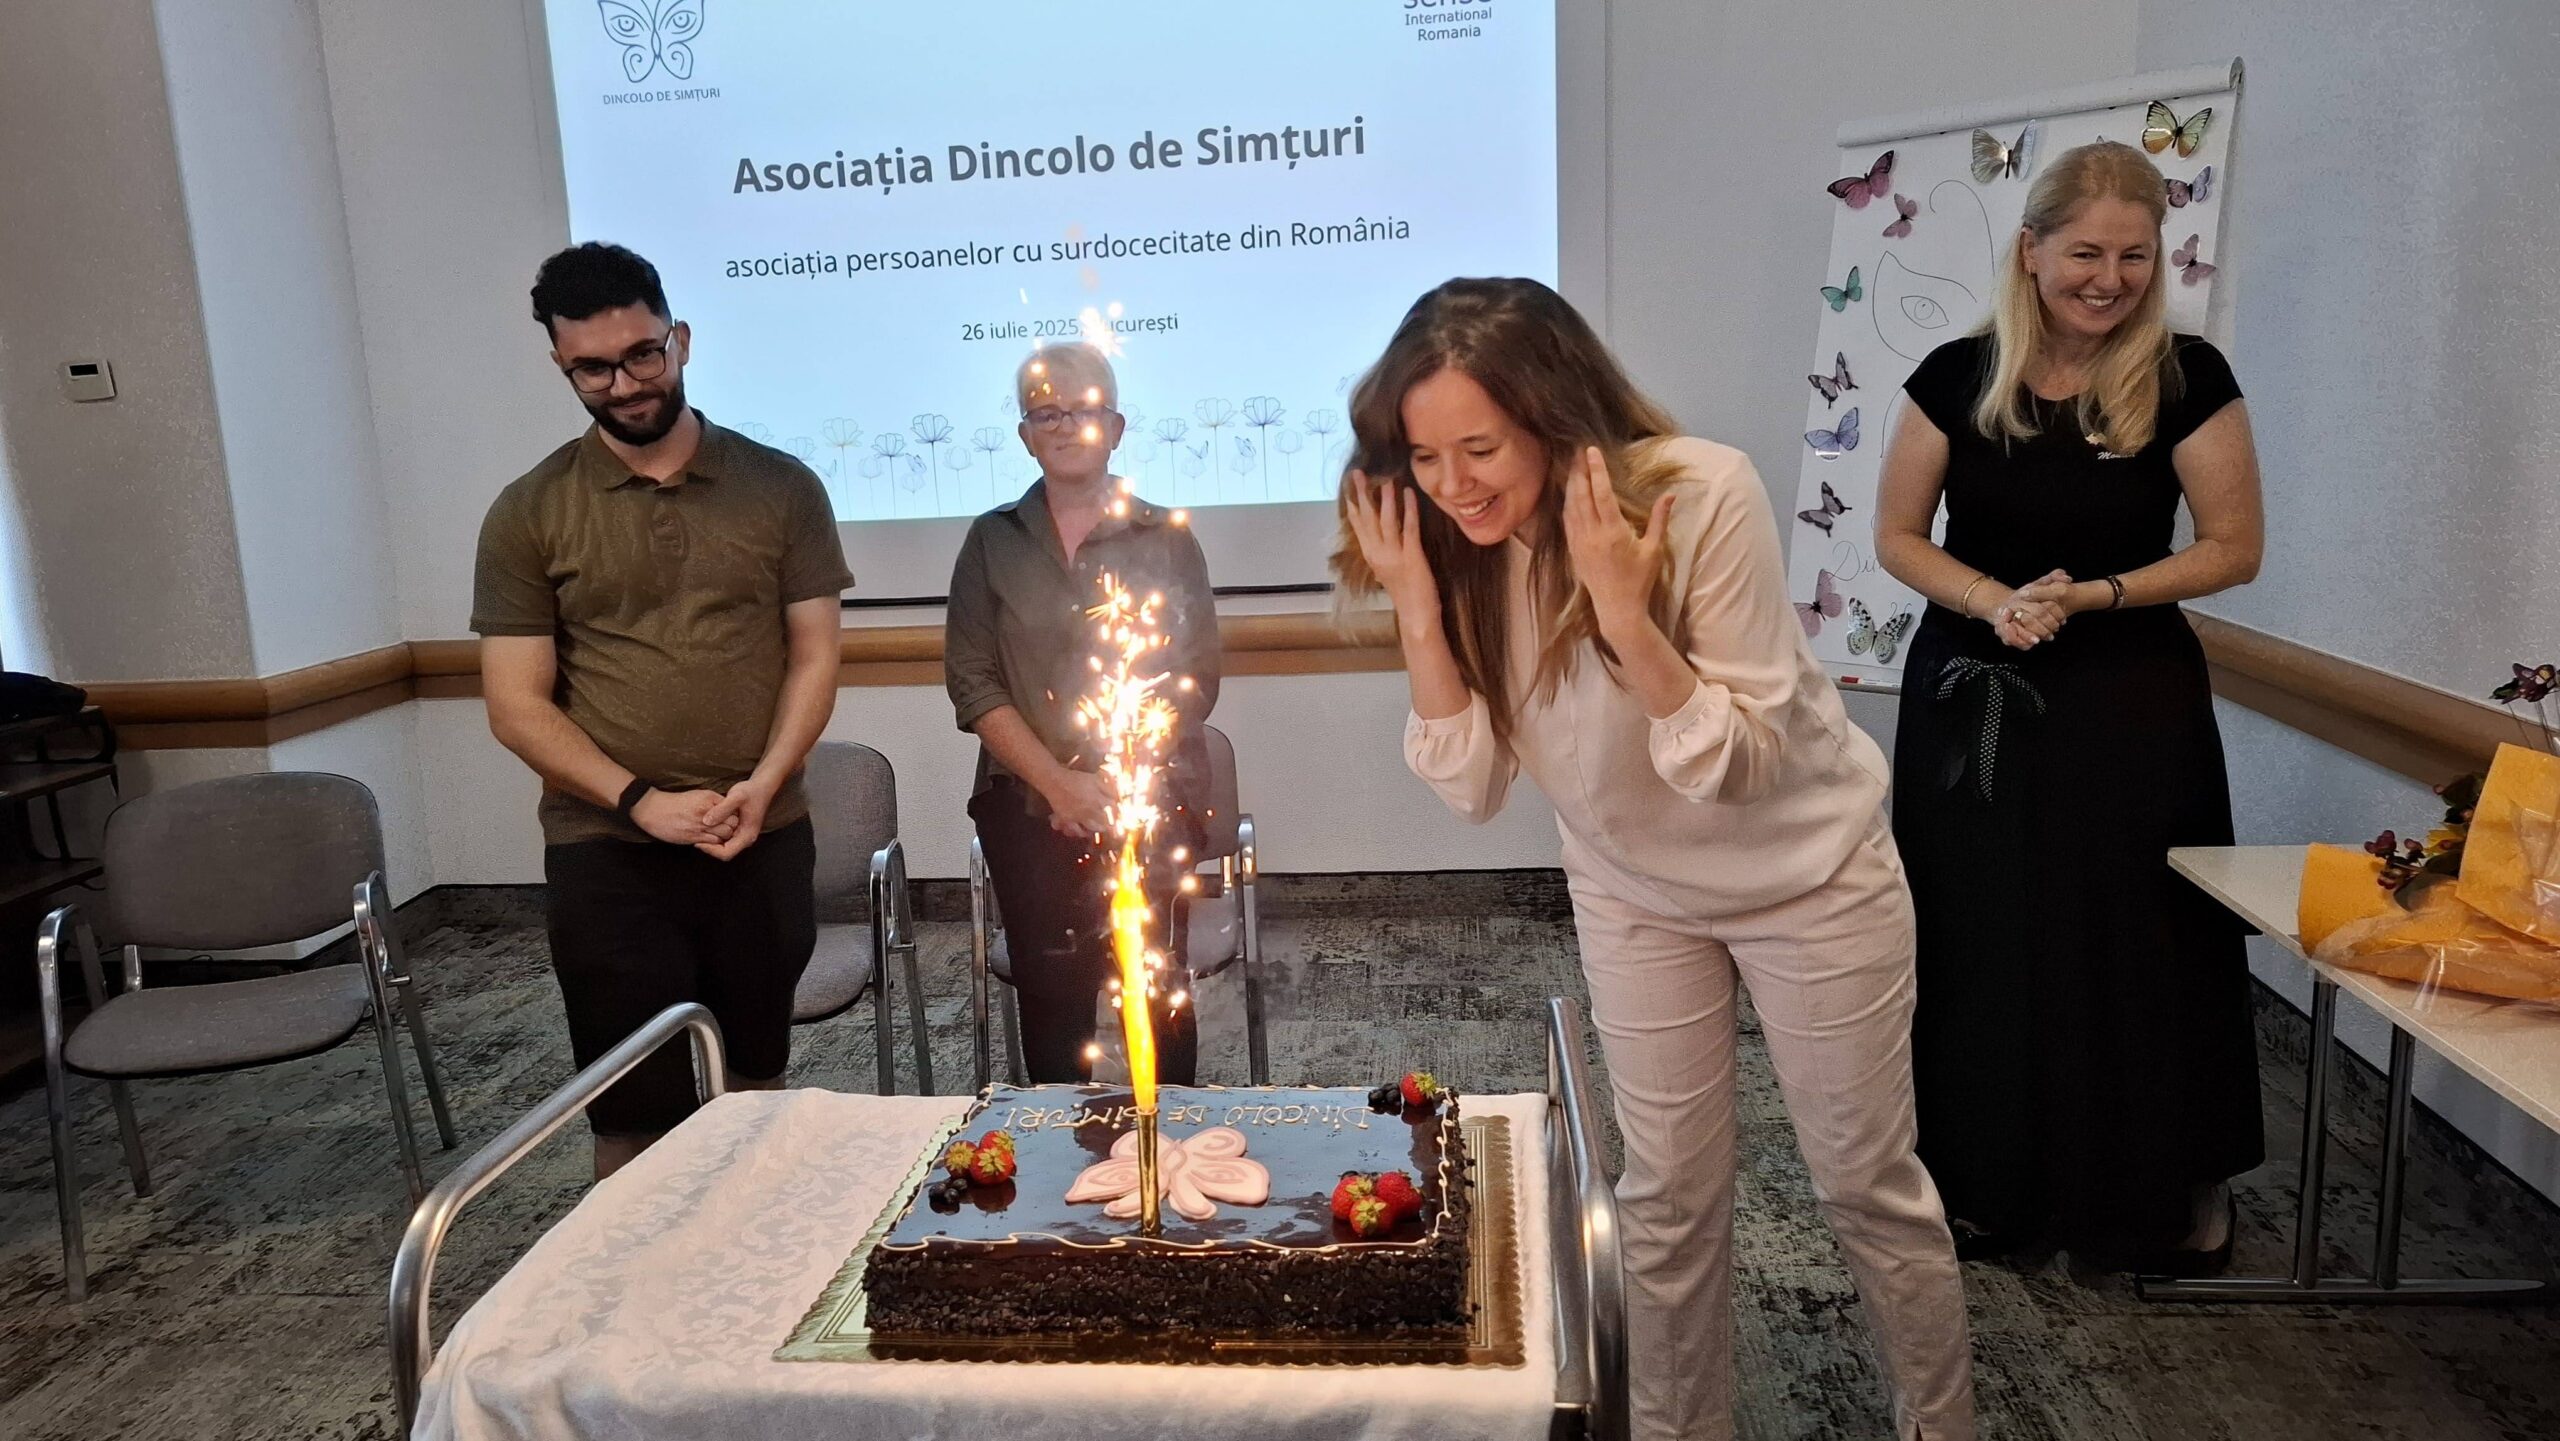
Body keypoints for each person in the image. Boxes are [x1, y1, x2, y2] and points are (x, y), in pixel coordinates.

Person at [1338, 278, 1974, 1441]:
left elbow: (1739, 764)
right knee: (1667, 1196)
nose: (1452, 483)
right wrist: (1418, 608)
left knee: (1864, 1189)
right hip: (1633, 886)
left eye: (1478, 447)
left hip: (1809, 878)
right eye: (1424, 457)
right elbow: (1475, 789)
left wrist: (1627, 617)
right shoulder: (1458, 545)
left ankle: (1941, 1424)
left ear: (1555, 413)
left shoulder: (1699, 492)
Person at [1874, 140, 2266, 1273]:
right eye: (2086, 252)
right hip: (1972, 695)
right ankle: (1982, 1179)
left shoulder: (2190, 374)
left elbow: (2233, 549)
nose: (2110, 277)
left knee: (2141, 939)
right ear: (2030, 250)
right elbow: (1896, 535)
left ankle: (2161, 1188)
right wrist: (1992, 599)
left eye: (2135, 256)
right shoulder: (1955, 373)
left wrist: (2091, 595)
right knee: (1979, 936)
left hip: (2127, 703)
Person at [472, 242, 851, 1180]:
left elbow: (815, 657)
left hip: (760, 834)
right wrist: (640, 800)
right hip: (608, 852)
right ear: (562, 367)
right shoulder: (529, 511)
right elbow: (516, 706)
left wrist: (762, 787)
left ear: (680, 339)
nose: (626, 383)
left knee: (754, 1090)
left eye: (644, 354)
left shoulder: (783, 487)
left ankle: (757, 1298)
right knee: (631, 1118)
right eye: (592, 368)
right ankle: (631, 1315)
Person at [945, 342, 1219, 1085]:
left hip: (1153, 803)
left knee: (1153, 988)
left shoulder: (1166, 534)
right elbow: (973, 682)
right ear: (1025, 432)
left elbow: (1192, 676)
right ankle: (1060, 1172)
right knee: (1054, 996)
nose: (1067, 426)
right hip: (1027, 810)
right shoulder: (991, 541)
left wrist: (1117, 783)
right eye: (1047, 412)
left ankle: (1170, 1159)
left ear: (1118, 426)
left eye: (1085, 410)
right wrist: (1061, 787)